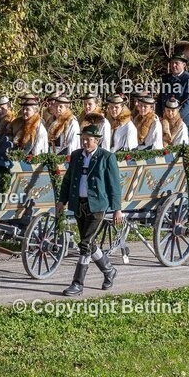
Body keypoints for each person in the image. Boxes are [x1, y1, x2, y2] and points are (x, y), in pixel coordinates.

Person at [57, 123, 123, 296]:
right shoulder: (77, 155)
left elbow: (115, 185)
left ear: (97, 141)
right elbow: (68, 179)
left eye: (88, 140)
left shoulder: (107, 158)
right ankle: (109, 271)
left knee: (85, 244)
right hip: (79, 204)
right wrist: (62, 201)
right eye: (83, 140)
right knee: (90, 243)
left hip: (98, 206)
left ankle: (77, 283)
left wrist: (117, 209)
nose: (85, 143)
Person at [157, 41, 189, 132]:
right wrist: (160, 116)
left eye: (176, 63)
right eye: (172, 63)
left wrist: (174, 118)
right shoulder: (166, 79)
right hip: (165, 121)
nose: (173, 65)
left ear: (184, 65)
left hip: (183, 121)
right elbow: (160, 99)